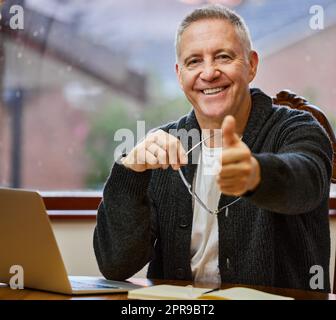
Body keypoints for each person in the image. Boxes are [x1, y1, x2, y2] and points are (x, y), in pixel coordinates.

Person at [93, 5, 333, 292]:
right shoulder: (165, 144)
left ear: (252, 64)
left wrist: (256, 175)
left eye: (223, 57)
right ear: (180, 75)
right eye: (194, 61)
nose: (209, 72)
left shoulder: (296, 128)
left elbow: (305, 184)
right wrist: (130, 171)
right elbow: (115, 265)